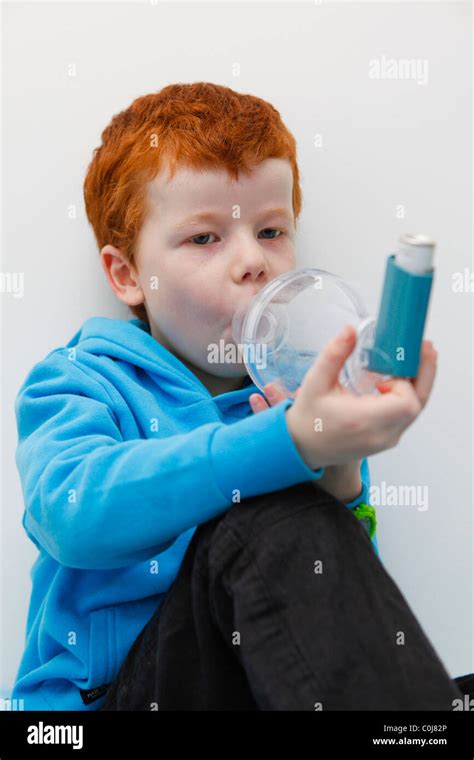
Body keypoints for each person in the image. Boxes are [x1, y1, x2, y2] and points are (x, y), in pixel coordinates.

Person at [11, 82, 468, 711]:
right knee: (265, 516)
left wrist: (337, 474)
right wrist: (282, 444)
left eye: (272, 230)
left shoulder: (303, 399)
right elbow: (72, 515)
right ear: (126, 275)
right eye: (205, 238)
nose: (253, 260)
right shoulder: (80, 382)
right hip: (106, 701)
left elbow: (332, 633)